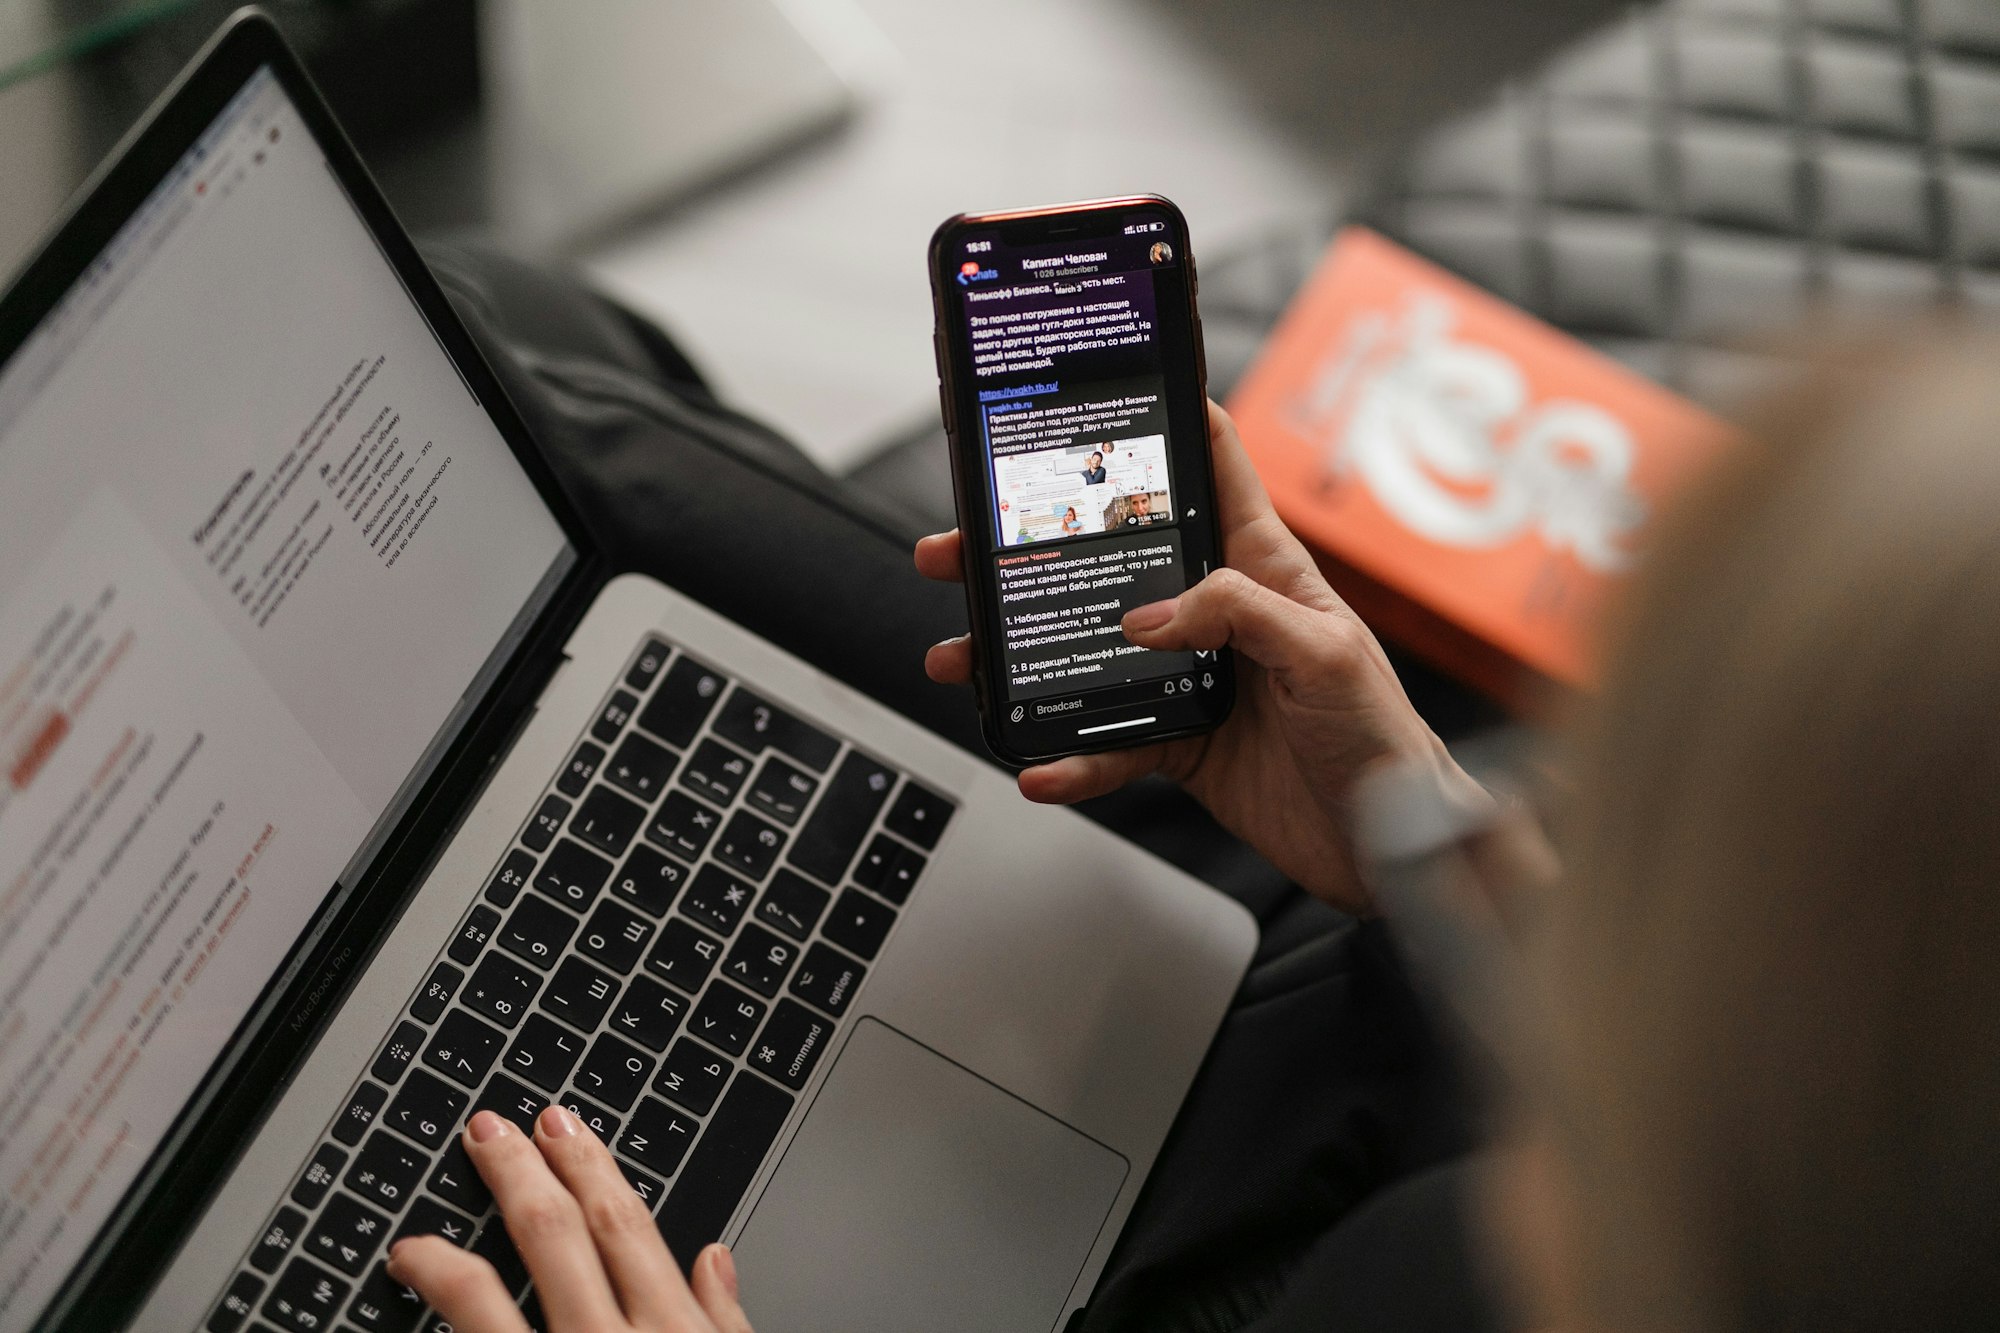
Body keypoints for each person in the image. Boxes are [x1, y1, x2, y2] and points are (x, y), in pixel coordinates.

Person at [385, 245, 2000, 1331]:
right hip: (1335, 1014)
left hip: (1218, 1180)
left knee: (484, 323)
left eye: (1641, 838)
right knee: (531, 324)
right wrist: (1445, 852)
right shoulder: (1789, 1199)